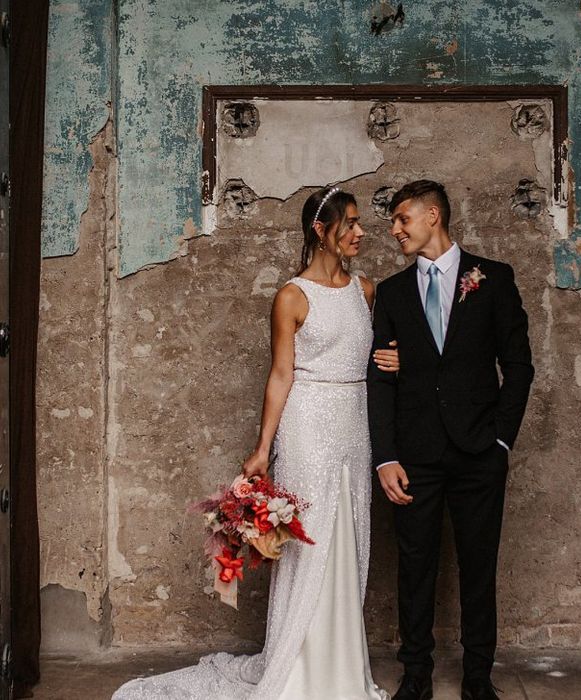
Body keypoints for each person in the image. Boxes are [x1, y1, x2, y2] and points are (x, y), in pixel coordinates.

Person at [113, 186, 399, 700]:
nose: (360, 233)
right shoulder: (292, 295)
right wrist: (264, 448)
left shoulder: (366, 291)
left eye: (360, 223)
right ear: (321, 229)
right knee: (311, 541)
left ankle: (341, 667)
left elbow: (376, 362)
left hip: (356, 424)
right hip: (308, 424)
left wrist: (395, 361)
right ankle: (298, 669)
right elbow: (281, 374)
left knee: (350, 537)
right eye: (350, 223)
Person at [367, 180, 534, 700]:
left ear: (432, 215)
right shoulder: (393, 293)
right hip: (415, 455)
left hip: (479, 453)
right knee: (414, 568)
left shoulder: (495, 279)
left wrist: (502, 442)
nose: (394, 231)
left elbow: (519, 367)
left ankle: (478, 677)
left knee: (478, 567)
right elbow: (381, 376)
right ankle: (415, 674)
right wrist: (386, 456)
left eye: (402, 220)